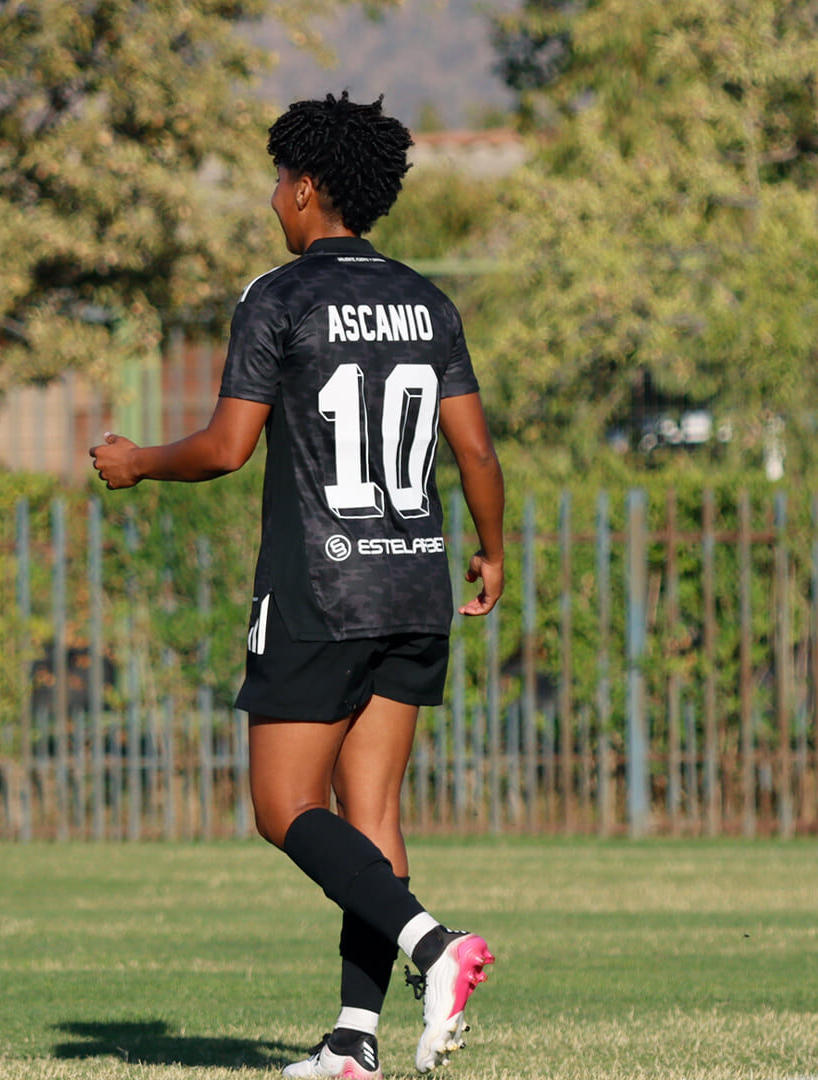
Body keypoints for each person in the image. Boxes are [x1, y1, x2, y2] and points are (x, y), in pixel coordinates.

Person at [90, 93, 504, 1079]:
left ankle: (434, 945)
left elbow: (228, 448)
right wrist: (492, 551)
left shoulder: (279, 295)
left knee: (284, 807)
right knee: (373, 812)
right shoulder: (427, 300)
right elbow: (476, 448)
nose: (275, 197)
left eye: (280, 180)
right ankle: (355, 1040)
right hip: (417, 581)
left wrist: (137, 461)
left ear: (308, 187)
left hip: (324, 586)